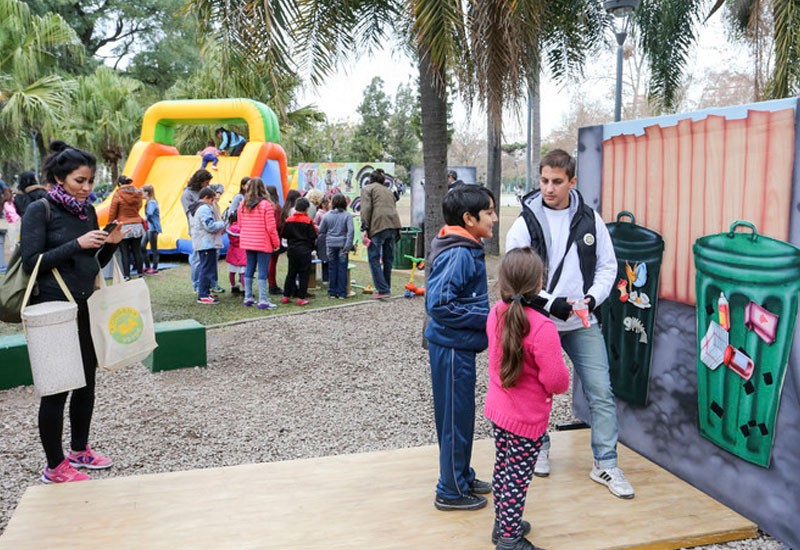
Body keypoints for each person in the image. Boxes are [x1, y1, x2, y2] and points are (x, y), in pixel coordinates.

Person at [504, 148, 634, 499]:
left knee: (601, 391)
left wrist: (592, 298)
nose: (548, 188)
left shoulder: (591, 220)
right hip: (537, 319)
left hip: (581, 320)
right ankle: (540, 445)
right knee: (535, 390)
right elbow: (514, 274)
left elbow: (608, 266)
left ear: (572, 182)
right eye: (544, 180)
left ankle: (605, 463)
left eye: (557, 182)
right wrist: (550, 303)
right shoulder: (524, 222)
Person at [20, 141, 124, 483]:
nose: (87, 188)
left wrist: (110, 245)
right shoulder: (41, 209)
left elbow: (90, 264)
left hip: (84, 306)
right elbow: (32, 262)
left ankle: (80, 450)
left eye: (91, 181)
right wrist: (75, 244)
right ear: (59, 178)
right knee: (57, 389)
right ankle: (55, 465)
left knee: (85, 384)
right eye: (80, 180)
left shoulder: (87, 212)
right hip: (51, 309)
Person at [486, 248, 571, 550]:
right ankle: (509, 540)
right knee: (517, 479)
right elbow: (557, 381)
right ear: (539, 283)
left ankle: (503, 523)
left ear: (503, 283)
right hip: (526, 419)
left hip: (499, 411)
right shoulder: (543, 327)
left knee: (503, 467)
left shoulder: (496, 312)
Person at [424, 184, 498, 511]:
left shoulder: (466, 245)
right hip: (452, 349)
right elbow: (439, 304)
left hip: (459, 347)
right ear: (469, 218)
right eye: (490, 212)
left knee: (461, 415)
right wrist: (488, 317)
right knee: (455, 418)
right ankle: (450, 490)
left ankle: (461, 476)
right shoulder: (458, 252)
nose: (495, 218)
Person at [237, 177, 280, 310]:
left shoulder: (243, 204)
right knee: (262, 270)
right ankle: (263, 299)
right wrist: (276, 242)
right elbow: (271, 227)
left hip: (248, 241)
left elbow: (240, 224)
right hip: (262, 241)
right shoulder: (266, 204)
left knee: (249, 268)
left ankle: (248, 297)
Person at [360, 171, 401, 299]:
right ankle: (386, 287)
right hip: (393, 225)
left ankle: (382, 290)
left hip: (378, 225)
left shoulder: (367, 189)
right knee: (388, 259)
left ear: (370, 180)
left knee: (374, 258)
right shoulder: (388, 190)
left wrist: (364, 227)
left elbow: (366, 208)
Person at [188, 187, 225, 304]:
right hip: (206, 243)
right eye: (212, 200)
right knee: (206, 269)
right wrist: (222, 223)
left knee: (207, 268)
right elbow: (210, 226)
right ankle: (203, 294)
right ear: (206, 198)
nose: (212, 202)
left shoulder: (195, 208)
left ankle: (206, 292)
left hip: (202, 242)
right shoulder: (204, 208)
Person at [281, 197, 317, 306]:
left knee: (291, 273)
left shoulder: (289, 220)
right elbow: (313, 236)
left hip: (292, 250)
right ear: (307, 209)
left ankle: (286, 296)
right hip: (304, 251)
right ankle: (301, 297)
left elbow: (284, 234)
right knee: (304, 274)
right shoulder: (308, 221)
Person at [181, 169, 213, 292]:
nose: (207, 185)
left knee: (207, 259)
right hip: (196, 230)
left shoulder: (205, 189)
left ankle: (207, 283)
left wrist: (219, 192)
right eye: (205, 182)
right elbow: (190, 213)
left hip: (206, 229)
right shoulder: (187, 194)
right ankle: (197, 284)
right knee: (197, 259)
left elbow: (219, 186)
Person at [108, 175, 144, 280]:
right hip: (137, 225)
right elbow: (139, 207)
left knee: (125, 252)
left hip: (123, 225)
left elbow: (112, 211)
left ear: (119, 184)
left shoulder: (118, 194)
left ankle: (127, 275)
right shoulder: (137, 193)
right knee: (137, 250)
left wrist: (110, 224)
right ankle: (140, 273)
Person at [318, 193, 353, 300]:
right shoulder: (347, 215)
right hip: (343, 245)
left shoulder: (327, 215)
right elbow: (350, 232)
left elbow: (321, 230)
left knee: (332, 268)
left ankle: (332, 292)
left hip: (331, 244)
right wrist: (348, 245)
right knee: (342, 268)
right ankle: (342, 293)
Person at [273, 189, 301, 295]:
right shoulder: (294, 211)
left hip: (287, 241)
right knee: (296, 268)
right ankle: (293, 289)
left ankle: (290, 289)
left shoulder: (285, 209)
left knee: (291, 267)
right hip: (295, 241)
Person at [266, 185, 284, 295]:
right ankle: (272, 285)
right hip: (273, 237)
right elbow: (277, 224)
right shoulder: (275, 207)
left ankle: (270, 284)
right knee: (272, 263)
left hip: (263, 237)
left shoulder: (263, 205)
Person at [141, 184, 161, 275]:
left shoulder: (152, 202)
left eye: (142, 193)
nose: (141, 195)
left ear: (146, 193)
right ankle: (148, 265)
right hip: (149, 228)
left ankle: (155, 268)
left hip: (153, 228)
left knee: (154, 248)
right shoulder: (149, 202)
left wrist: (145, 219)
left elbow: (150, 213)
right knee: (142, 246)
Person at [225, 210, 246, 294]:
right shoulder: (243, 228)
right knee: (243, 273)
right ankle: (245, 289)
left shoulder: (229, 228)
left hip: (232, 251)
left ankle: (233, 286)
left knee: (232, 271)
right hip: (242, 252)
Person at [2, 187, 21, 268]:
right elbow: (12, 214)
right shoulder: (7, 204)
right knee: (14, 243)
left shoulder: (10, 203)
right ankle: (14, 261)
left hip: (15, 223)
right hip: (13, 223)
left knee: (16, 242)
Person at [313, 195, 331, 284]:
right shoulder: (319, 214)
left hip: (330, 238)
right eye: (328, 202)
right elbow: (314, 225)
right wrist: (321, 228)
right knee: (324, 259)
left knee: (330, 258)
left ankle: (329, 277)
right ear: (323, 204)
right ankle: (325, 278)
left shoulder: (330, 213)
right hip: (322, 239)